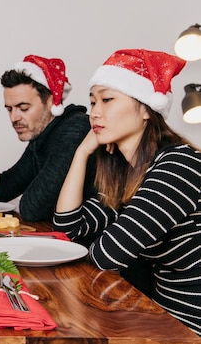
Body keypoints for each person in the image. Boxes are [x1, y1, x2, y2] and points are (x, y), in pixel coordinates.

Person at [53, 49, 201, 336]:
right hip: (161, 312)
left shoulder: (178, 165)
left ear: (146, 109)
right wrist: (82, 153)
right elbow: (68, 231)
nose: (94, 112)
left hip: (190, 321)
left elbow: (107, 256)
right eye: (93, 101)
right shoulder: (126, 173)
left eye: (107, 100)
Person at [0, 55, 96, 221]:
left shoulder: (75, 129)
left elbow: (33, 209)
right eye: (9, 109)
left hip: (89, 242)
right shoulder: (43, 135)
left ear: (50, 101)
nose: (14, 117)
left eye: (23, 108)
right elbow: (1, 192)